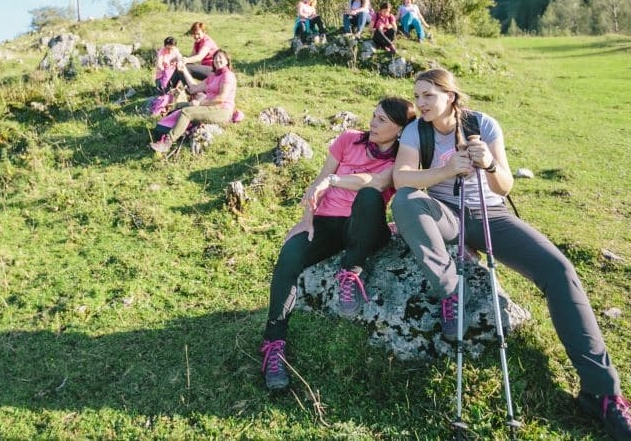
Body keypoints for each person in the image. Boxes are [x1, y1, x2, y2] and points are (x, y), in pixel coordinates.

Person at [390, 69, 631, 440]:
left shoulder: (483, 124)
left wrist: (488, 164)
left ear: (450, 96)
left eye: (428, 95)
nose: (420, 103)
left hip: (492, 216)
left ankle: (602, 392)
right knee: (406, 201)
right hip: (445, 216)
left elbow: (505, 184)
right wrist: (444, 170)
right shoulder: (415, 131)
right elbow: (402, 179)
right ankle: (451, 289)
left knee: (558, 269)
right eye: (417, 95)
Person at [260, 97, 417, 391]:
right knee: (289, 257)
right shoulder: (348, 139)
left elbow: (376, 182)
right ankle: (274, 345)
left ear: (401, 130)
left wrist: (334, 180)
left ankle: (350, 271)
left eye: (382, 120)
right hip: (326, 223)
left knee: (369, 196)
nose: (372, 122)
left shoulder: (400, 160)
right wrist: (307, 218)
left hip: (366, 226)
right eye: (373, 115)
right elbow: (317, 183)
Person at [150, 49, 237, 154]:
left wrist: (200, 103)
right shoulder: (213, 76)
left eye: (220, 58)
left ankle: (167, 143)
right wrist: (184, 71)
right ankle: (166, 129)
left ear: (227, 61)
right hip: (209, 107)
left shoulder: (227, 75)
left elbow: (221, 98)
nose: (217, 60)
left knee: (187, 112)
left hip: (222, 110)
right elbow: (193, 88)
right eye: (215, 58)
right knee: (179, 106)